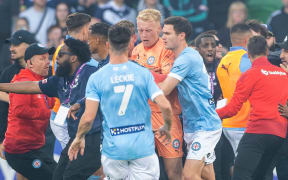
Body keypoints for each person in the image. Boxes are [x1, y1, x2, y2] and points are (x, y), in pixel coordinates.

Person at [68, 24, 172, 180]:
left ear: (108, 45)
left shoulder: (97, 77)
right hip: (142, 148)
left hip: (114, 150)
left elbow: (88, 117)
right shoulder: (142, 73)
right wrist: (167, 127)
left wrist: (79, 137)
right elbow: (165, 105)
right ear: (130, 44)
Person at [0, 38, 102, 179]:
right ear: (29, 63)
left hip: (92, 138)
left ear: (73, 58)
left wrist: (80, 104)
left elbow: (100, 94)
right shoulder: (55, 79)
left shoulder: (90, 73)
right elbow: (30, 89)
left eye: (59, 55)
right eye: (43, 58)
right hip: (24, 149)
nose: (53, 61)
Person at [217, 35, 288, 180]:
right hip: (279, 136)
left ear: (247, 53)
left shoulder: (250, 74)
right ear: (267, 52)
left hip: (257, 132)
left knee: (240, 176)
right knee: (263, 176)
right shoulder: (284, 74)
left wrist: (210, 115)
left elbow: (232, 109)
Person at [160, 16, 222, 180]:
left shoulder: (186, 59)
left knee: (188, 175)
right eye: (162, 33)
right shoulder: (187, 56)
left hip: (204, 127)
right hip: (195, 126)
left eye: (167, 33)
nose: (163, 37)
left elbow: (165, 89)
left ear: (181, 36)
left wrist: (141, 78)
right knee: (206, 174)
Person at [131, 9, 183, 180]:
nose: (144, 34)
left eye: (149, 30)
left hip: (165, 115)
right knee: (141, 172)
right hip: (141, 117)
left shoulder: (166, 49)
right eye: (140, 30)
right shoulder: (136, 50)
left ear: (159, 29)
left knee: (174, 172)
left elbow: (168, 81)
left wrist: (141, 71)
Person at [3, 43, 56, 180]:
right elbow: (18, 109)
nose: (47, 62)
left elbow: (52, 104)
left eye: (48, 58)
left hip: (36, 148)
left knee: (59, 174)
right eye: (42, 59)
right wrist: (47, 113)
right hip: (19, 151)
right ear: (29, 63)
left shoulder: (44, 82)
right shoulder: (23, 81)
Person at [0, 30, 37, 180]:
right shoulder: (8, 73)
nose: (11, 48)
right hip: (16, 137)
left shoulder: (43, 70)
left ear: (29, 46)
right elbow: (2, 111)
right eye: (11, 44)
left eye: (16, 44)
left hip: (41, 136)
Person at [216, 24, 252, 167]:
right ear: (247, 39)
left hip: (229, 122)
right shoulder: (246, 59)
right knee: (248, 168)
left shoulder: (224, 60)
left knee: (240, 163)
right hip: (244, 121)